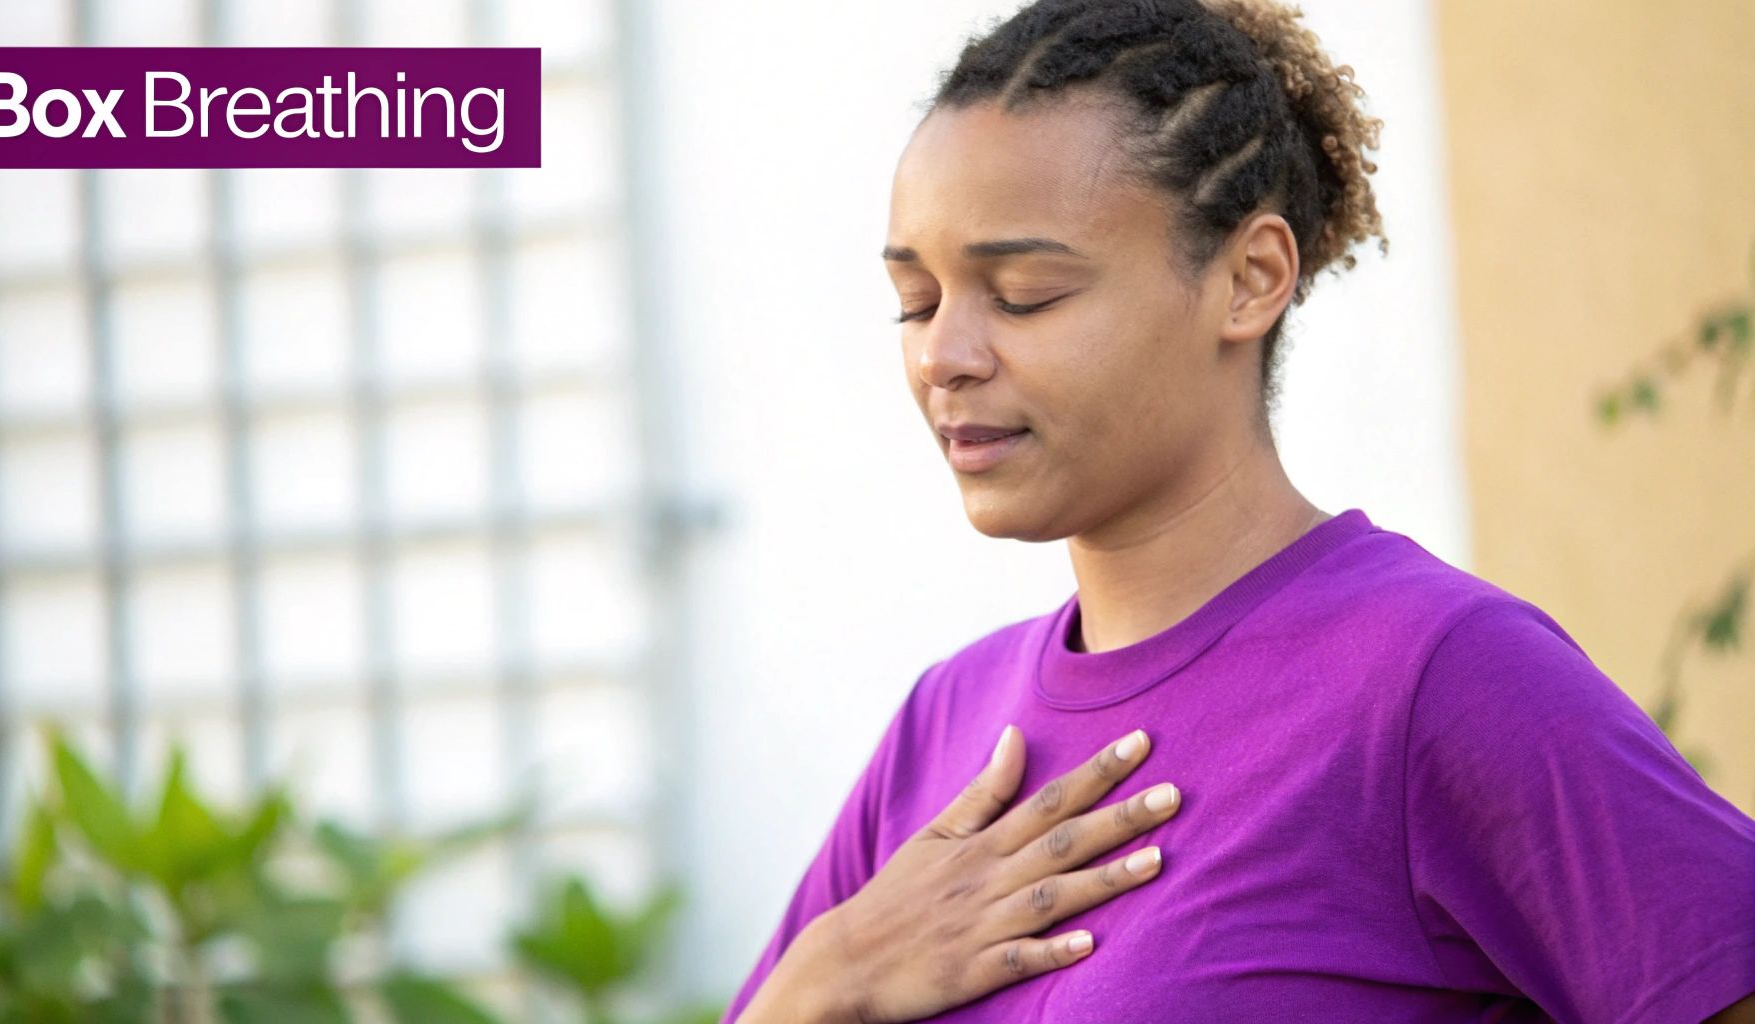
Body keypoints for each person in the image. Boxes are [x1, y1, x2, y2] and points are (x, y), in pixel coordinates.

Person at [722, 0, 1755, 1020]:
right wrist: (830, 975)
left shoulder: (1436, 678)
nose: (943, 355)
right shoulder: (940, 724)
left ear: (1248, 279)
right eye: (917, 299)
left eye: (1025, 292)